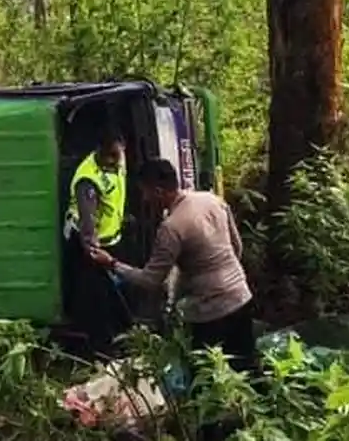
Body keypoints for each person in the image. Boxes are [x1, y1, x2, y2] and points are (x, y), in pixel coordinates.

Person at [88, 159, 255, 376]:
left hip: (211, 312)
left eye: (146, 193)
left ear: (158, 191)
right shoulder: (212, 200)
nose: (145, 200)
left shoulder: (171, 227)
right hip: (241, 296)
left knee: (206, 377)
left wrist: (112, 263)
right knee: (248, 368)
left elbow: (151, 280)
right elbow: (237, 248)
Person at [63, 127, 130, 353]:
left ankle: (118, 337)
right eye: (109, 155)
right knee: (97, 298)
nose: (113, 159)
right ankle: (102, 350)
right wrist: (94, 253)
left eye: (117, 154)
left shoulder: (118, 160)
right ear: (99, 150)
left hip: (113, 238)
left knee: (113, 294)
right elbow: (87, 223)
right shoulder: (88, 179)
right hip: (91, 244)